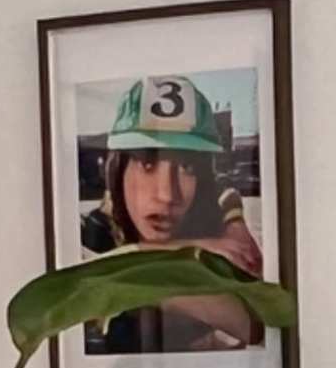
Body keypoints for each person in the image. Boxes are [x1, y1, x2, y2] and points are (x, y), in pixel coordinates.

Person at [76, 75, 266, 352]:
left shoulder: (208, 220)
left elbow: (255, 327)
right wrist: (192, 248)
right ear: (118, 169)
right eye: (147, 164)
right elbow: (92, 273)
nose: (167, 194)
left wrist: (234, 220)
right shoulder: (87, 233)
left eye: (187, 168)